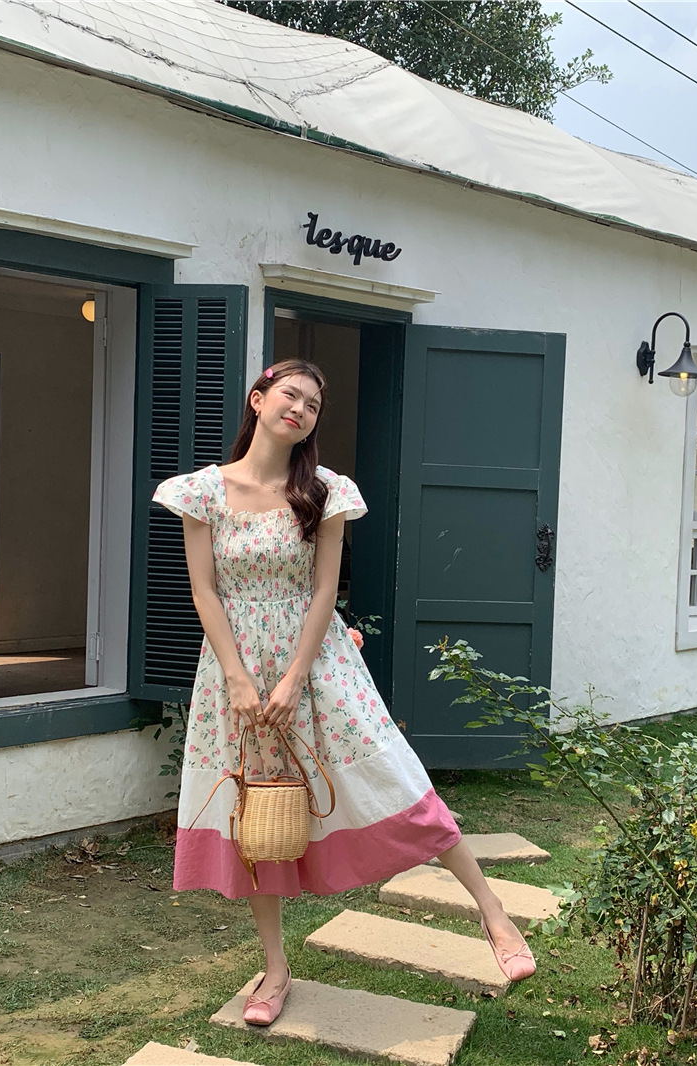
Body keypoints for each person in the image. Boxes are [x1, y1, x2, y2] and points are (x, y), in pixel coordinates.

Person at [152, 358, 535, 1025]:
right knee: (258, 811)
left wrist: (294, 676)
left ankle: (492, 910)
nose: (300, 409)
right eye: (289, 395)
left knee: (394, 776)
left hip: (319, 661)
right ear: (259, 399)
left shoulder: (325, 491)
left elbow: (326, 590)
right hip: (234, 669)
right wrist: (239, 679)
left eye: (312, 404)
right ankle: (275, 970)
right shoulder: (204, 491)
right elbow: (204, 589)